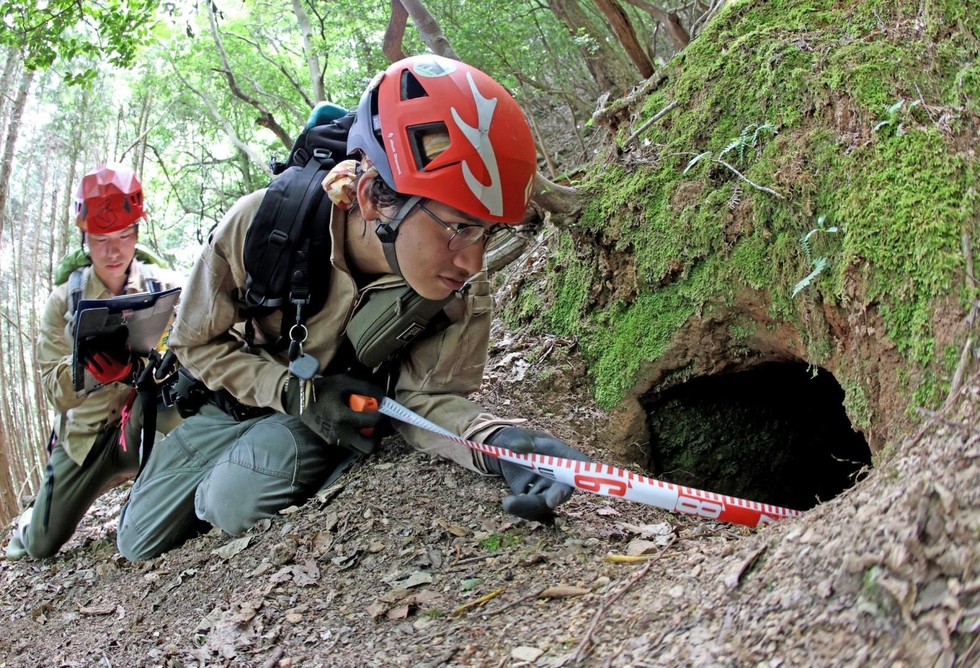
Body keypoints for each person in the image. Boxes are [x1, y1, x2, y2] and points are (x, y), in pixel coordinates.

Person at [116, 55, 590, 562]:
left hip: (326, 416)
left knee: (234, 500)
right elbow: (193, 343)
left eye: (488, 231)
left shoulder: (458, 287)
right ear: (370, 197)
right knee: (138, 543)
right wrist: (290, 392)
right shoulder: (262, 224)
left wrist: (503, 447)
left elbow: (428, 400)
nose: (473, 260)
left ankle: (256, 467)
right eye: (459, 226)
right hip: (232, 400)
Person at [5, 164, 182, 560]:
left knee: (188, 415)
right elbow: (54, 390)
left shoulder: (165, 287)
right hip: (84, 440)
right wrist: (89, 372)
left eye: (123, 236)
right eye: (101, 239)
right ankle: (33, 519)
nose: (113, 250)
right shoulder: (63, 302)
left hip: (143, 421)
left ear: (137, 233)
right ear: (85, 240)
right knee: (40, 545)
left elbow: (192, 350)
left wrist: (138, 369)